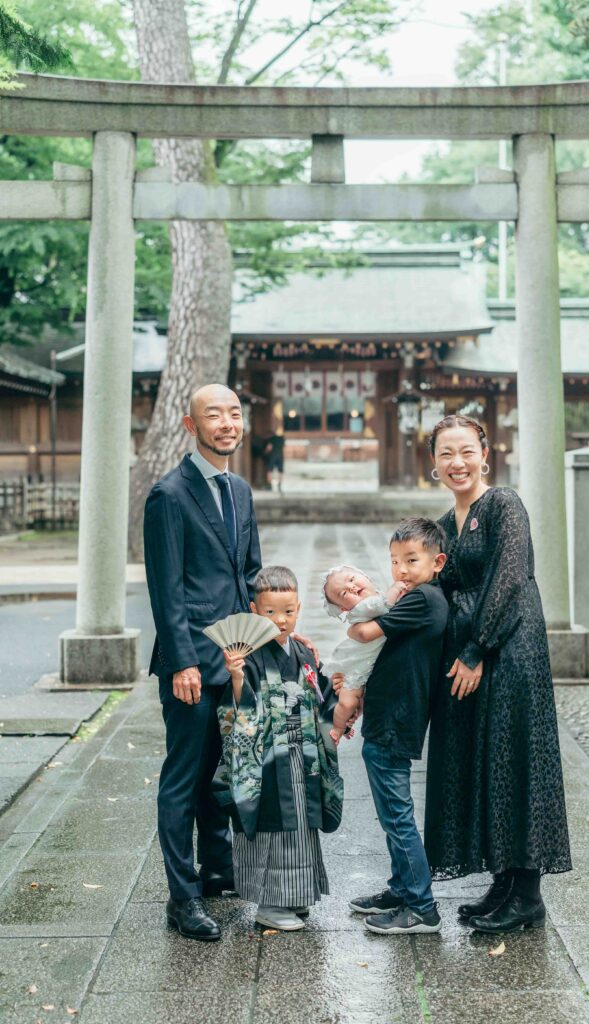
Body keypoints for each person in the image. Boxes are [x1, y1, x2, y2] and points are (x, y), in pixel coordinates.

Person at [424, 414, 572, 935]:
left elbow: (510, 578)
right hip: (471, 654)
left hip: (510, 649)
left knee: (517, 760)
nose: (457, 463)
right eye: (446, 453)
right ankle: (503, 881)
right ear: (434, 462)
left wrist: (476, 647)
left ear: (485, 454)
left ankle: (528, 893)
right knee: (485, 763)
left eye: (466, 451)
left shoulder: (504, 504)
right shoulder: (444, 523)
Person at [144, 383, 262, 942]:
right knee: (183, 777)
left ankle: (218, 871)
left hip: (235, 656)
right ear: (191, 426)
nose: (226, 423)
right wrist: (181, 663)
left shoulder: (240, 489)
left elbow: (248, 575)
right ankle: (182, 897)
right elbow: (165, 590)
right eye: (213, 415)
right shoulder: (169, 494)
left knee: (221, 775)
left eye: (234, 413)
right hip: (190, 661)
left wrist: (275, 634)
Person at [219, 566, 343, 932]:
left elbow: (320, 696)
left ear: (299, 608)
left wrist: (337, 704)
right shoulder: (249, 655)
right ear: (254, 611)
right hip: (268, 762)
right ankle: (270, 904)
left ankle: (297, 894)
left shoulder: (303, 651)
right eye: (271, 612)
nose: (280, 620)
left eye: (288, 611)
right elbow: (236, 714)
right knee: (273, 829)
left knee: (301, 828)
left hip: (303, 756)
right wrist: (237, 676)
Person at [346, 517, 449, 935]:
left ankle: (421, 906)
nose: (401, 570)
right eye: (394, 562)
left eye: (411, 560)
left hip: (395, 720)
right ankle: (402, 888)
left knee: (397, 815)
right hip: (391, 715)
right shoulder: (426, 597)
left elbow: (362, 632)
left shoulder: (422, 599)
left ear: (437, 561)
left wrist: (359, 610)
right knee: (393, 813)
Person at [321, 565, 407, 743]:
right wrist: (396, 588)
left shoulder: (375, 602)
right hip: (356, 667)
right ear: (344, 609)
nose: (351, 587)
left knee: (352, 702)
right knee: (347, 702)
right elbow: (382, 604)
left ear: (365, 576)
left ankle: (344, 724)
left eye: (352, 579)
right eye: (344, 594)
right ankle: (337, 728)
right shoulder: (364, 608)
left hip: (367, 665)